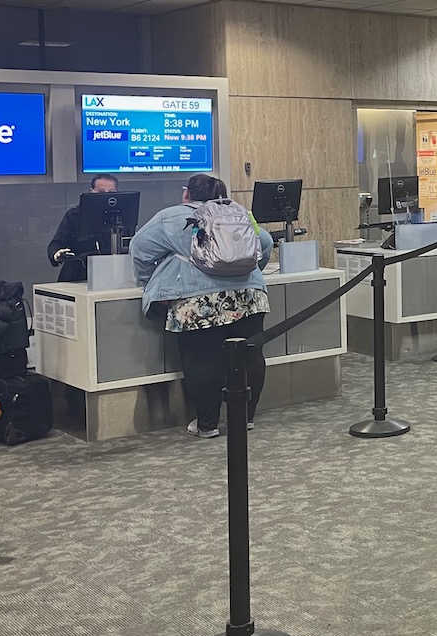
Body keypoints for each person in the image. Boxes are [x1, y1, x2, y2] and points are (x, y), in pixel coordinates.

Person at [131, 174, 273, 438]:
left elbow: (140, 249)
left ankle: (207, 424)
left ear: (187, 194)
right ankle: (246, 418)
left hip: (197, 301)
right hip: (249, 297)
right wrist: (247, 271)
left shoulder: (170, 217)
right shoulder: (240, 213)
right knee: (250, 356)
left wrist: (147, 281)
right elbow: (265, 243)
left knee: (202, 360)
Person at [48, 174, 119, 282]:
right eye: (101, 192)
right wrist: (57, 254)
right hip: (77, 275)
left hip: (112, 275)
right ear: (92, 191)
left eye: (111, 193)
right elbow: (57, 243)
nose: (106, 196)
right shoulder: (75, 215)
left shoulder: (121, 216)